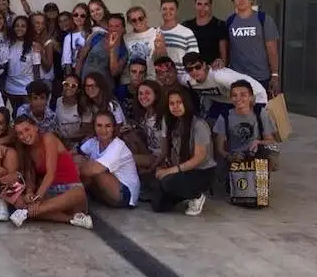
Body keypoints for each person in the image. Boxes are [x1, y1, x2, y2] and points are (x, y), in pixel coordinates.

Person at [5, 116, 93, 229]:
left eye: (27, 129)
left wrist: (37, 199)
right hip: (51, 195)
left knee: (78, 193)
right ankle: (73, 219)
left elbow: (50, 173)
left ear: (36, 128)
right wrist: (29, 193)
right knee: (15, 197)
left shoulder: (48, 138)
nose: (24, 135)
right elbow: (29, 175)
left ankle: (26, 212)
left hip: (70, 194)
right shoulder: (27, 150)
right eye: (20, 133)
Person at [152, 88, 217, 216]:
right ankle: (185, 195)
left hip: (201, 172)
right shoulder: (170, 122)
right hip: (181, 170)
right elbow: (166, 151)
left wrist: (169, 171)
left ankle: (196, 195)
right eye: (172, 103)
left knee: (168, 181)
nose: (175, 107)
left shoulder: (199, 125)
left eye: (179, 102)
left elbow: (199, 158)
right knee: (158, 205)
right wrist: (156, 167)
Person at [226, 0, 281, 95]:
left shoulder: (263, 19)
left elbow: (272, 49)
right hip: (237, 76)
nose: (241, 0)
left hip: (260, 76)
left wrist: (275, 75)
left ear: (251, 0)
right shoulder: (230, 21)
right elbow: (227, 48)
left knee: (260, 110)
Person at [78, 110, 140, 208]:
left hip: (125, 195)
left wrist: (75, 167)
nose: (103, 130)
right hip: (107, 191)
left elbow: (94, 170)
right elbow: (74, 155)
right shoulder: (93, 141)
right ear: (94, 127)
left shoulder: (118, 145)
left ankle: (73, 196)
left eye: (108, 126)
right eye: (99, 125)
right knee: (80, 160)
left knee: (95, 171)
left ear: (113, 128)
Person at [181, 52, 267, 121]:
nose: (194, 71)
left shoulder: (219, 76)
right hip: (225, 102)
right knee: (211, 127)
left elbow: (244, 91)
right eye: (190, 69)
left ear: (204, 65)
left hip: (255, 95)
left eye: (197, 67)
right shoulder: (187, 80)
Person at [213, 79, 277, 159]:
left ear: (251, 97)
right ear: (230, 98)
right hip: (235, 160)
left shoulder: (260, 113)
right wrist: (229, 156)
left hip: (258, 158)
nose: (238, 98)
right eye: (234, 95)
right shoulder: (224, 116)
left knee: (267, 159)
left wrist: (259, 142)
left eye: (243, 95)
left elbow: (271, 141)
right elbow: (219, 148)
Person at [156, 0, 199, 79]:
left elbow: (194, 59)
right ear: (160, 10)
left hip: (181, 79)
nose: (167, 11)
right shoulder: (155, 32)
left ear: (176, 11)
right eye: (164, 9)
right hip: (160, 79)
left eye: (171, 9)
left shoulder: (187, 33)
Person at [183, 0, 228, 66]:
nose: (202, 8)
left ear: (210, 5)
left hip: (213, 70)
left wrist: (222, 63)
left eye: (206, 4)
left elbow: (223, 54)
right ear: (195, 5)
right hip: (191, 70)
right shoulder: (187, 25)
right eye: (199, 4)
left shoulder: (219, 25)